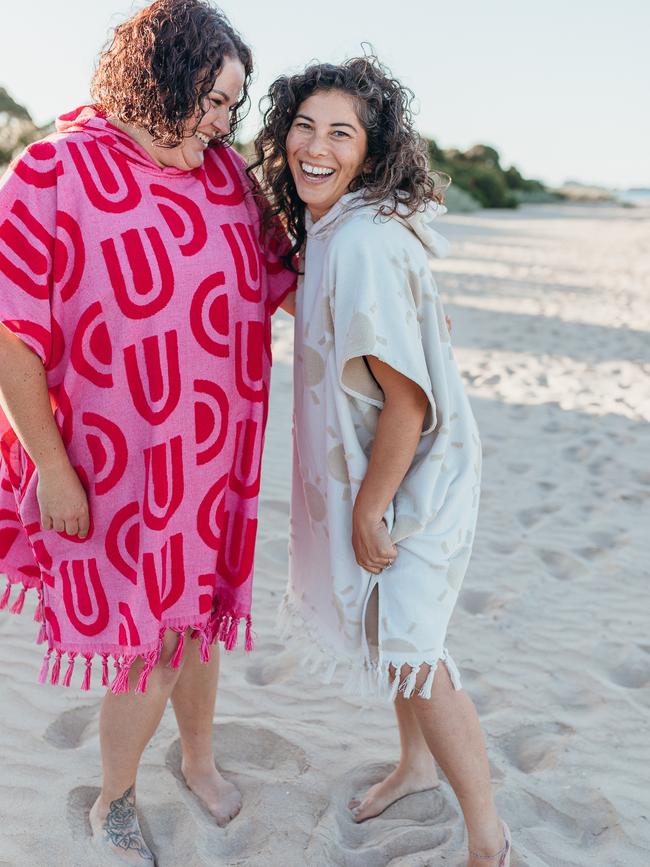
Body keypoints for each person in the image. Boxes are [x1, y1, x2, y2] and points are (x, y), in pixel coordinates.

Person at [0, 1, 294, 862]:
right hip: (114, 465)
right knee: (148, 637)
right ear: (158, 77)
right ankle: (114, 799)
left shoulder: (226, 178)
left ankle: (197, 757)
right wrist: (52, 470)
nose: (222, 122)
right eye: (212, 99)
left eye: (233, 107)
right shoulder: (52, 171)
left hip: (215, 456)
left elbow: (297, 271)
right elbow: (12, 341)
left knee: (199, 615)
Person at [252, 56, 511, 866]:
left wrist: (370, 507)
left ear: (371, 150)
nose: (316, 146)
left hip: (417, 472)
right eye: (303, 126)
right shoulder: (333, 227)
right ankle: (415, 766)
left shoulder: (361, 242)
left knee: (417, 649)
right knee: (386, 627)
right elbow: (316, 302)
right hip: (388, 463)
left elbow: (407, 403)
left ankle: (487, 839)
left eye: (341, 132)